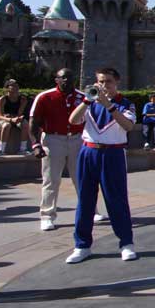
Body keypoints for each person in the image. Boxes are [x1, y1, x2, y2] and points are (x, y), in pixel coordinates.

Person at [64, 67, 139, 263]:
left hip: (112, 153)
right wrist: (88, 100)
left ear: (117, 83)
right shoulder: (89, 102)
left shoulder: (125, 104)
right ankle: (82, 245)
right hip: (89, 152)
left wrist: (109, 106)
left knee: (116, 200)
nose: (104, 86)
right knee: (85, 200)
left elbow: (128, 126)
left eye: (108, 82)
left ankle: (126, 243)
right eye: (101, 82)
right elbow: (73, 120)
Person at [30, 68, 98, 231]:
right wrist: (35, 145)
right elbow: (34, 121)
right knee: (51, 179)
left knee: (82, 178)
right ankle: (47, 215)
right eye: (63, 78)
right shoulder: (45, 97)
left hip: (77, 139)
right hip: (53, 139)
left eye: (70, 77)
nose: (66, 81)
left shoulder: (83, 97)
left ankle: (91, 211)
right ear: (56, 80)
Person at [0, 79, 29, 155]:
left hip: (15, 119)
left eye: (17, 86)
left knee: (25, 124)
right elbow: (0, 115)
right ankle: (1, 150)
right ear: (8, 88)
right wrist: (11, 119)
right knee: (6, 126)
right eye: (13, 86)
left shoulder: (23, 99)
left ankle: (23, 149)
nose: (15, 88)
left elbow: (19, 113)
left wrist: (18, 118)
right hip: (4, 120)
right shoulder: (2, 99)